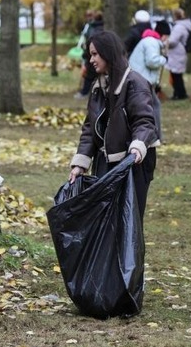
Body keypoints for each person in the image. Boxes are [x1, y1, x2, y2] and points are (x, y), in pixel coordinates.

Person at [69, 31, 159, 220]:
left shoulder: (135, 83)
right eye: (90, 54)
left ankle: (126, 252)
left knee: (128, 220)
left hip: (133, 163)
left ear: (107, 53)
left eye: (95, 54)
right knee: (104, 220)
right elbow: (89, 128)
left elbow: (145, 122)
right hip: (106, 161)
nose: (91, 59)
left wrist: (137, 147)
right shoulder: (98, 86)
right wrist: (80, 164)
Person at [129, 28, 167, 141]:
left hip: (139, 79)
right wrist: (164, 59)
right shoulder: (151, 42)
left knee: (150, 106)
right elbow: (151, 61)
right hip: (142, 81)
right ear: (163, 36)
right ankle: (153, 136)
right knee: (152, 107)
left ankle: (153, 135)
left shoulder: (147, 41)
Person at [75, 11, 104, 99]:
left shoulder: (93, 29)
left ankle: (84, 92)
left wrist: (85, 55)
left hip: (92, 55)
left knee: (89, 75)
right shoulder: (103, 28)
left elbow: (89, 44)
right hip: (100, 55)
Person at [165, 8, 191, 100]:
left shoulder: (179, 27)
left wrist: (165, 42)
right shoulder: (185, 26)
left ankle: (179, 94)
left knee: (176, 75)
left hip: (176, 53)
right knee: (177, 75)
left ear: (176, 16)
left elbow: (173, 41)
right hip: (180, 52)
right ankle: (179, 93)